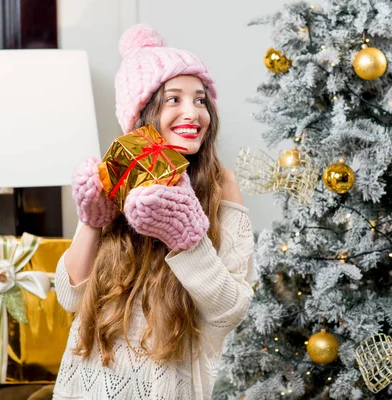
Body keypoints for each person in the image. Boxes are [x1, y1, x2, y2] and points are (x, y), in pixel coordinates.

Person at [52, 24, 255, 400]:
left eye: (200, 100)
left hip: (169, 386)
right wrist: (93, 222)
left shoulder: (219, 183)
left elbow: (230, 312)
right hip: (89, 383)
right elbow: (70, 298)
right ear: (143, 114)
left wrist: (188, 239)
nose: (193, 113)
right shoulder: (116, 176)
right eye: (173, 100)